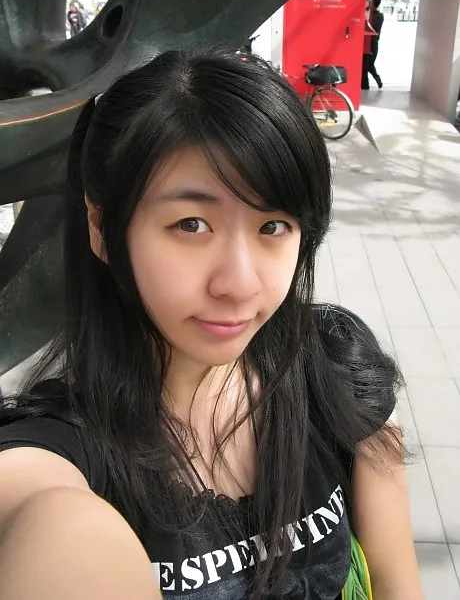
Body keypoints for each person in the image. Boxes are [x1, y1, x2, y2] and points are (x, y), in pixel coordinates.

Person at [0, 48, 423, 600]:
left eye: (273, 226)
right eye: (191, 224)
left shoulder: (334, 362)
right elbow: (42, 527)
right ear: (102, 228)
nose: (240, 284)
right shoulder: (57, 456)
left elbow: (396, 582)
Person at [369, 0, 384, 89]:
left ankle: (377, 79)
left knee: (369, 64)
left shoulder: (376, 16)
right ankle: (376, 79)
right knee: (369, 64)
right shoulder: (379, 15)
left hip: (372, 43)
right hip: (373, 43)